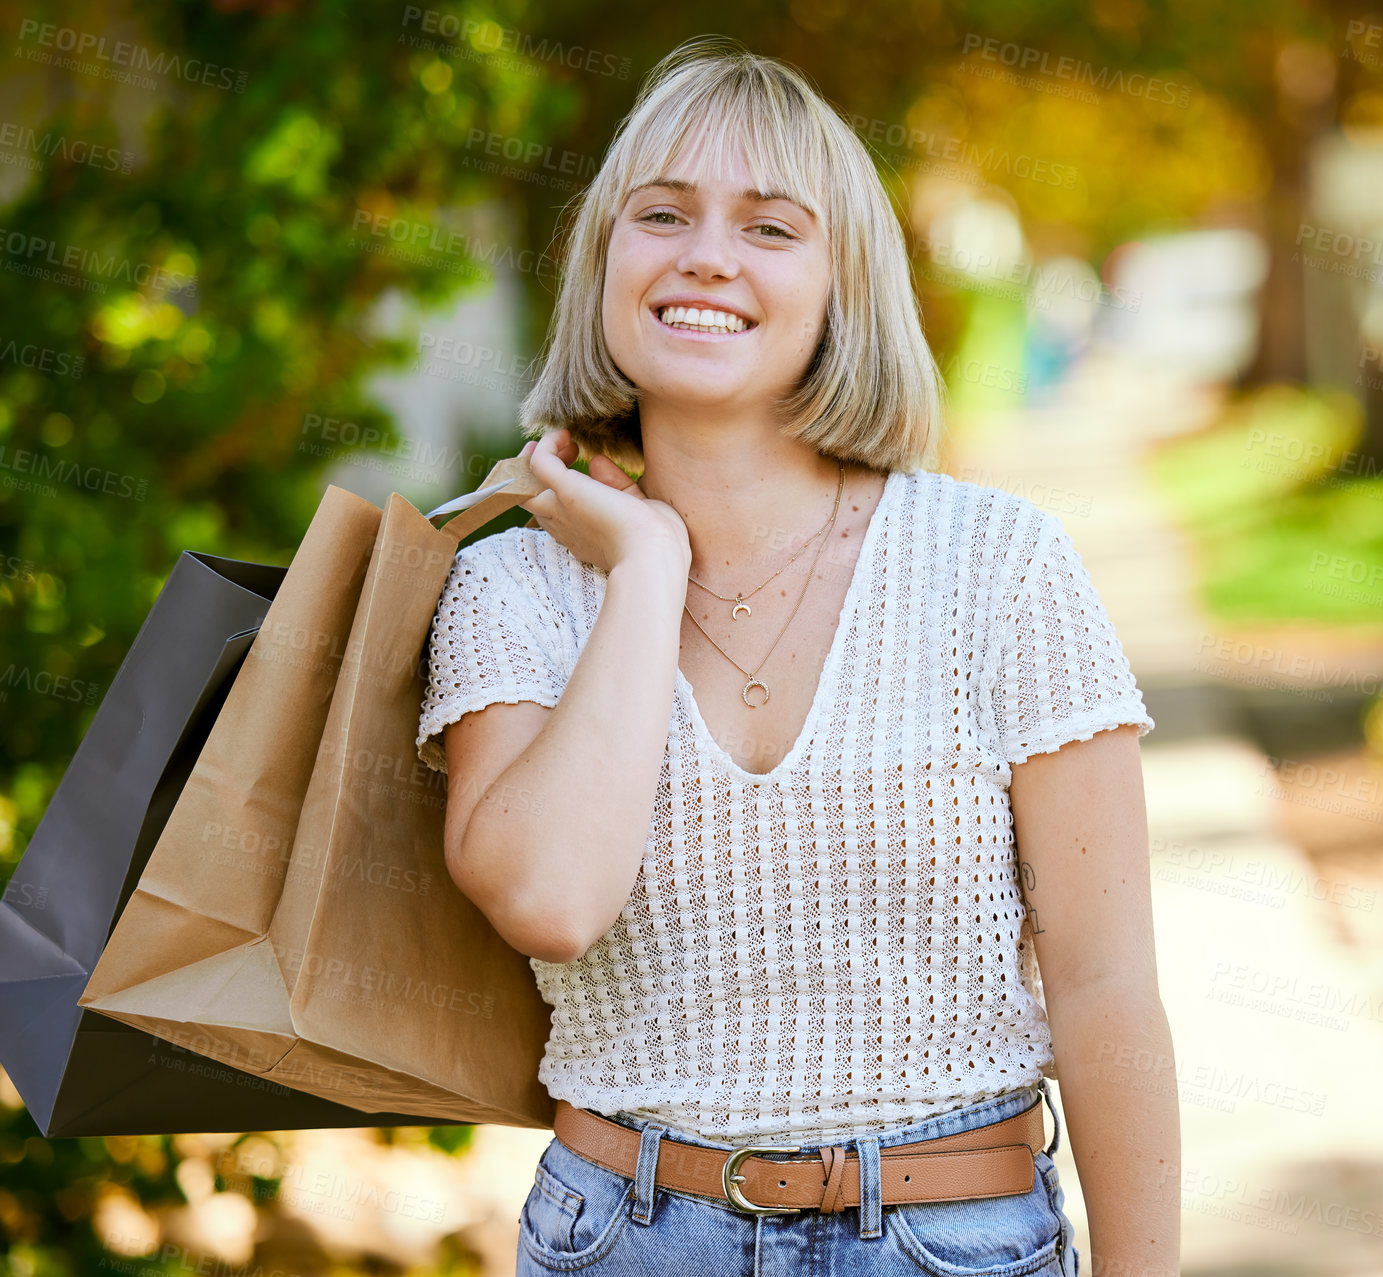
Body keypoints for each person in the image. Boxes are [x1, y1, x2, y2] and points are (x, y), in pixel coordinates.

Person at [415, 34, 1179, 1277]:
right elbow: (551, 902)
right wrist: (646, 568)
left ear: (844, 286)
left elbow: (1105, 987)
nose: (706, 253)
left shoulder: (1000, 565)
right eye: (661, 214)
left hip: (958, 1241)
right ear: (605, 263)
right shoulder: (511, 588)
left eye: (772, 227)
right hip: (627, 1238)